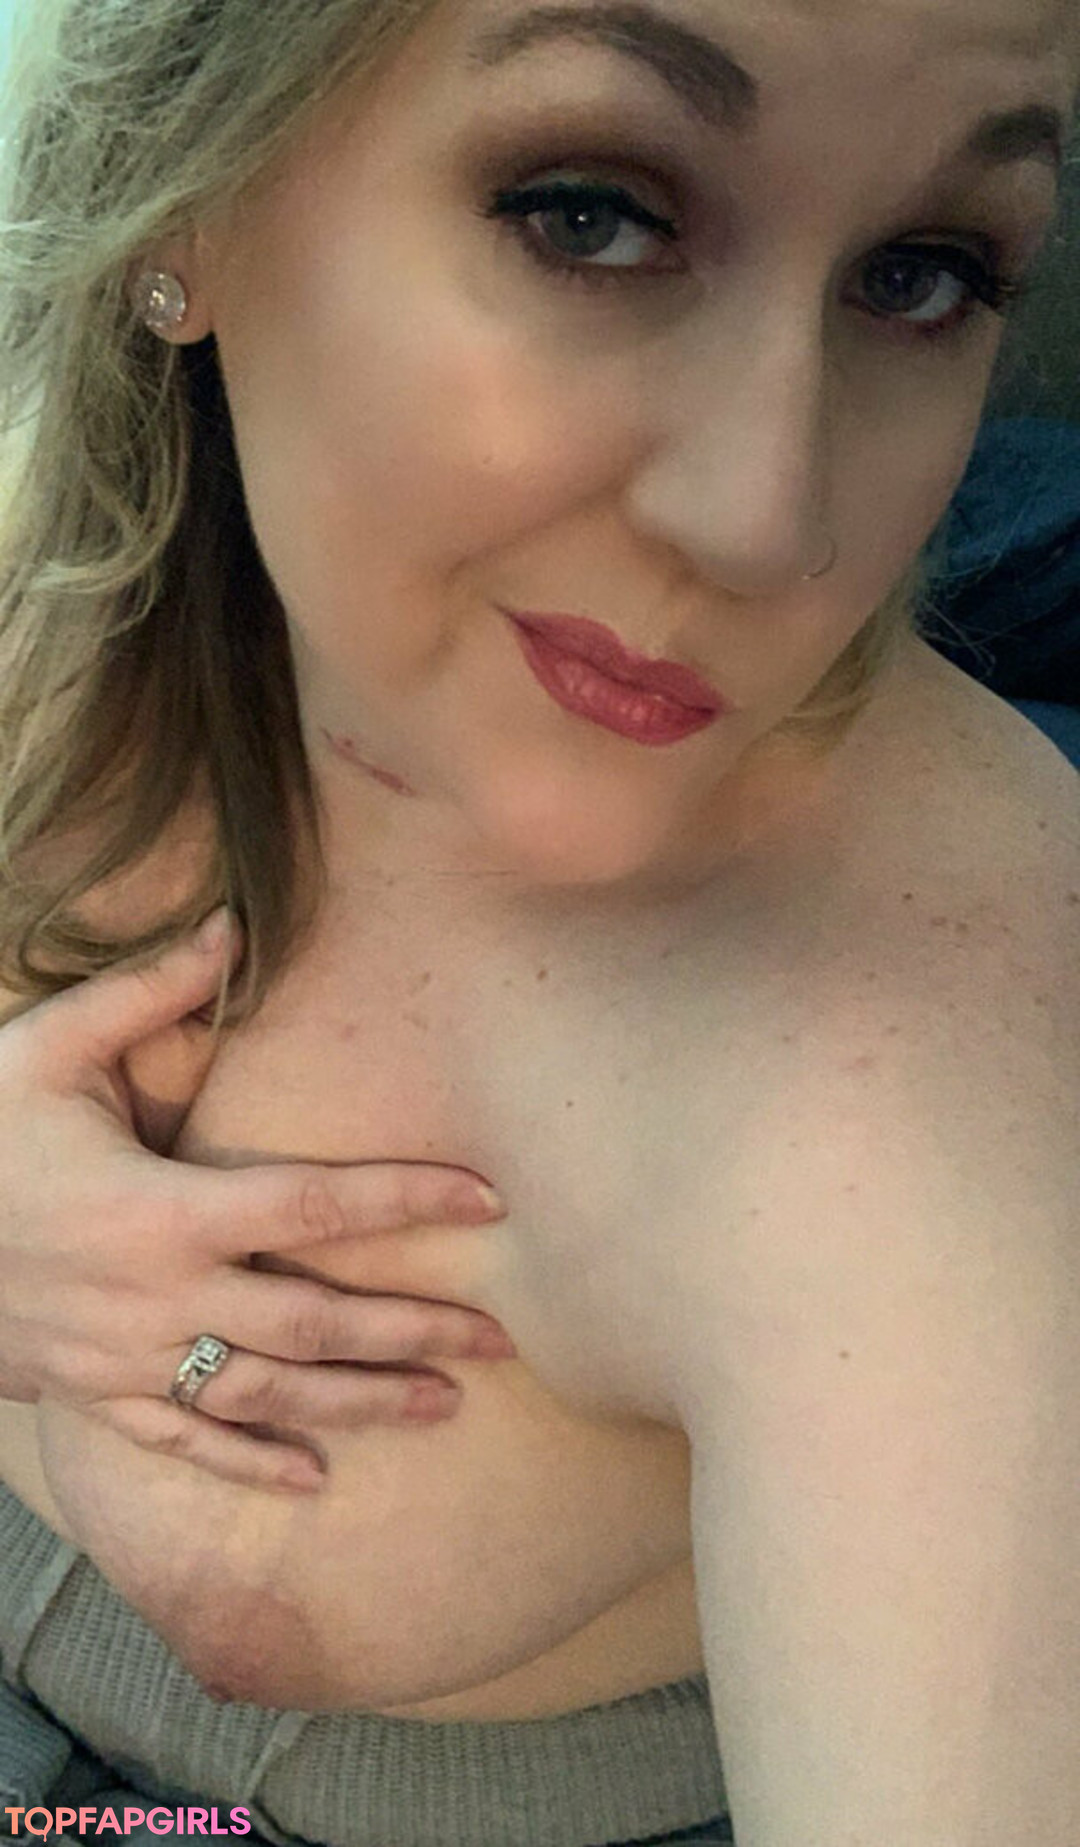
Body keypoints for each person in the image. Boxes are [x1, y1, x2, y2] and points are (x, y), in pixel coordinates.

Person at [0, 0, 1078, 1842]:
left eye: (920, 276)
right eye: (593, 215)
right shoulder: (45, 593)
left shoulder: (921, 1104)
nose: (770, 520)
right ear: (185, 196)